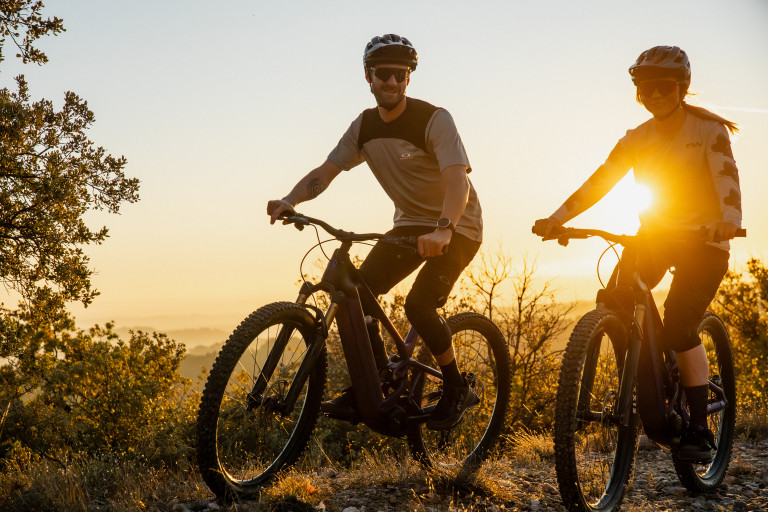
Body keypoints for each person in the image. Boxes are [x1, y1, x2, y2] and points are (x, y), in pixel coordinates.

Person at [533, 45, 742, 463]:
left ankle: (699, 429)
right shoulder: (637, 139)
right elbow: (600, 182)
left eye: (664, 86)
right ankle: (643, 379)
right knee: (613, 298)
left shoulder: (707, 129)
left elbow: (727, 178)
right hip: (657, 235)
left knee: (682, 326)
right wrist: (556, 218)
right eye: (646, 88)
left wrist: (729, 218)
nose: (655, 94)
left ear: (681, 88)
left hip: (705, 241)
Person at [267, 34, 484, 431]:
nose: (391, 81)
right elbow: (324, 173)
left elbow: (458, 182)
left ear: (408, 79)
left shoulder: (434, 119)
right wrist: (290, 200)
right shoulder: (364, 126)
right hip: (408, 226)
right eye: (382, 73)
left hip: (457, 226)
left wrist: (443, 229)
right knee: (359, 294)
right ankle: (377, 383)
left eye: (399, 74)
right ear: (368, 77)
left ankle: (455, 386)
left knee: (419, 305)